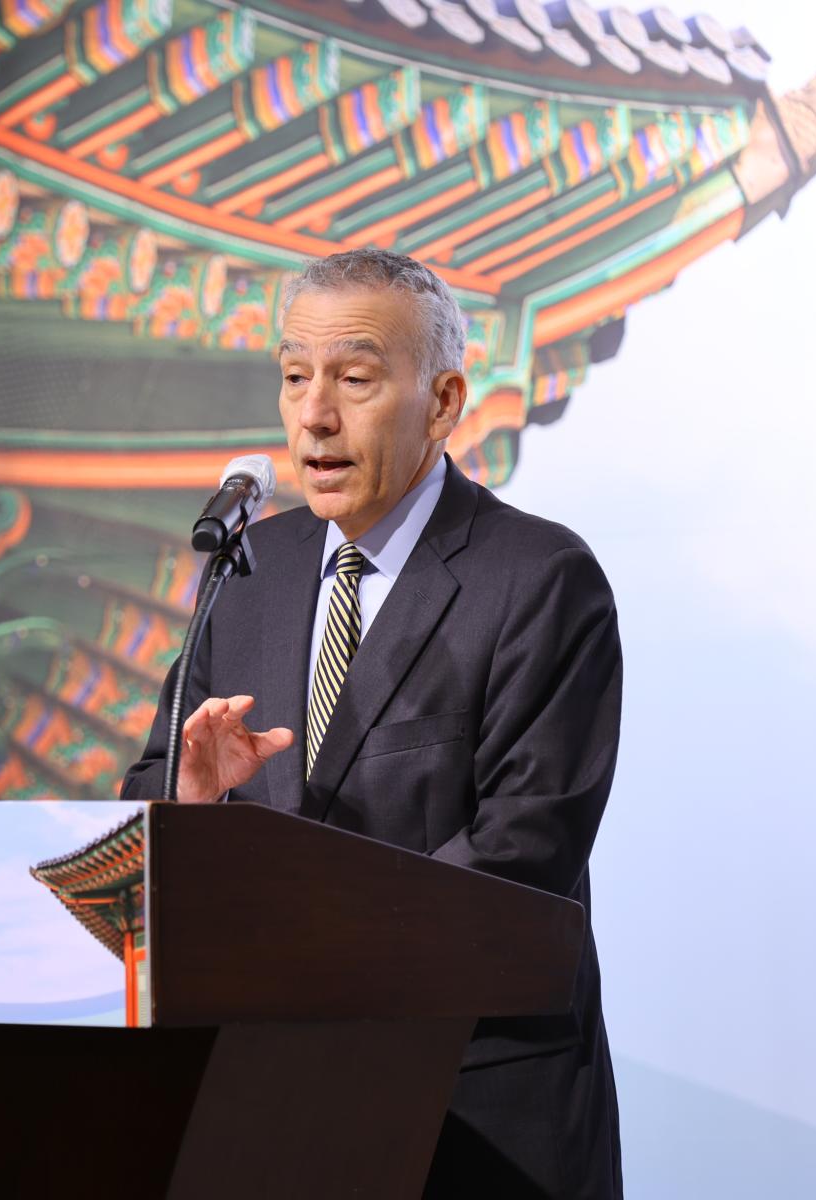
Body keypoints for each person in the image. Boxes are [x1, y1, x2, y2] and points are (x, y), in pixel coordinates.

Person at [121, 247, 623, 1198]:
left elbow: (523, 856)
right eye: (295, 377)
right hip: (269, 1107)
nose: (315, 414)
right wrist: (189, 799)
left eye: (354, 379)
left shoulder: (539, 580)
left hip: (472, 1117)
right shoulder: (248, 575)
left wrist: (296, 958)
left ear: (442, 403)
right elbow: (146, 802)